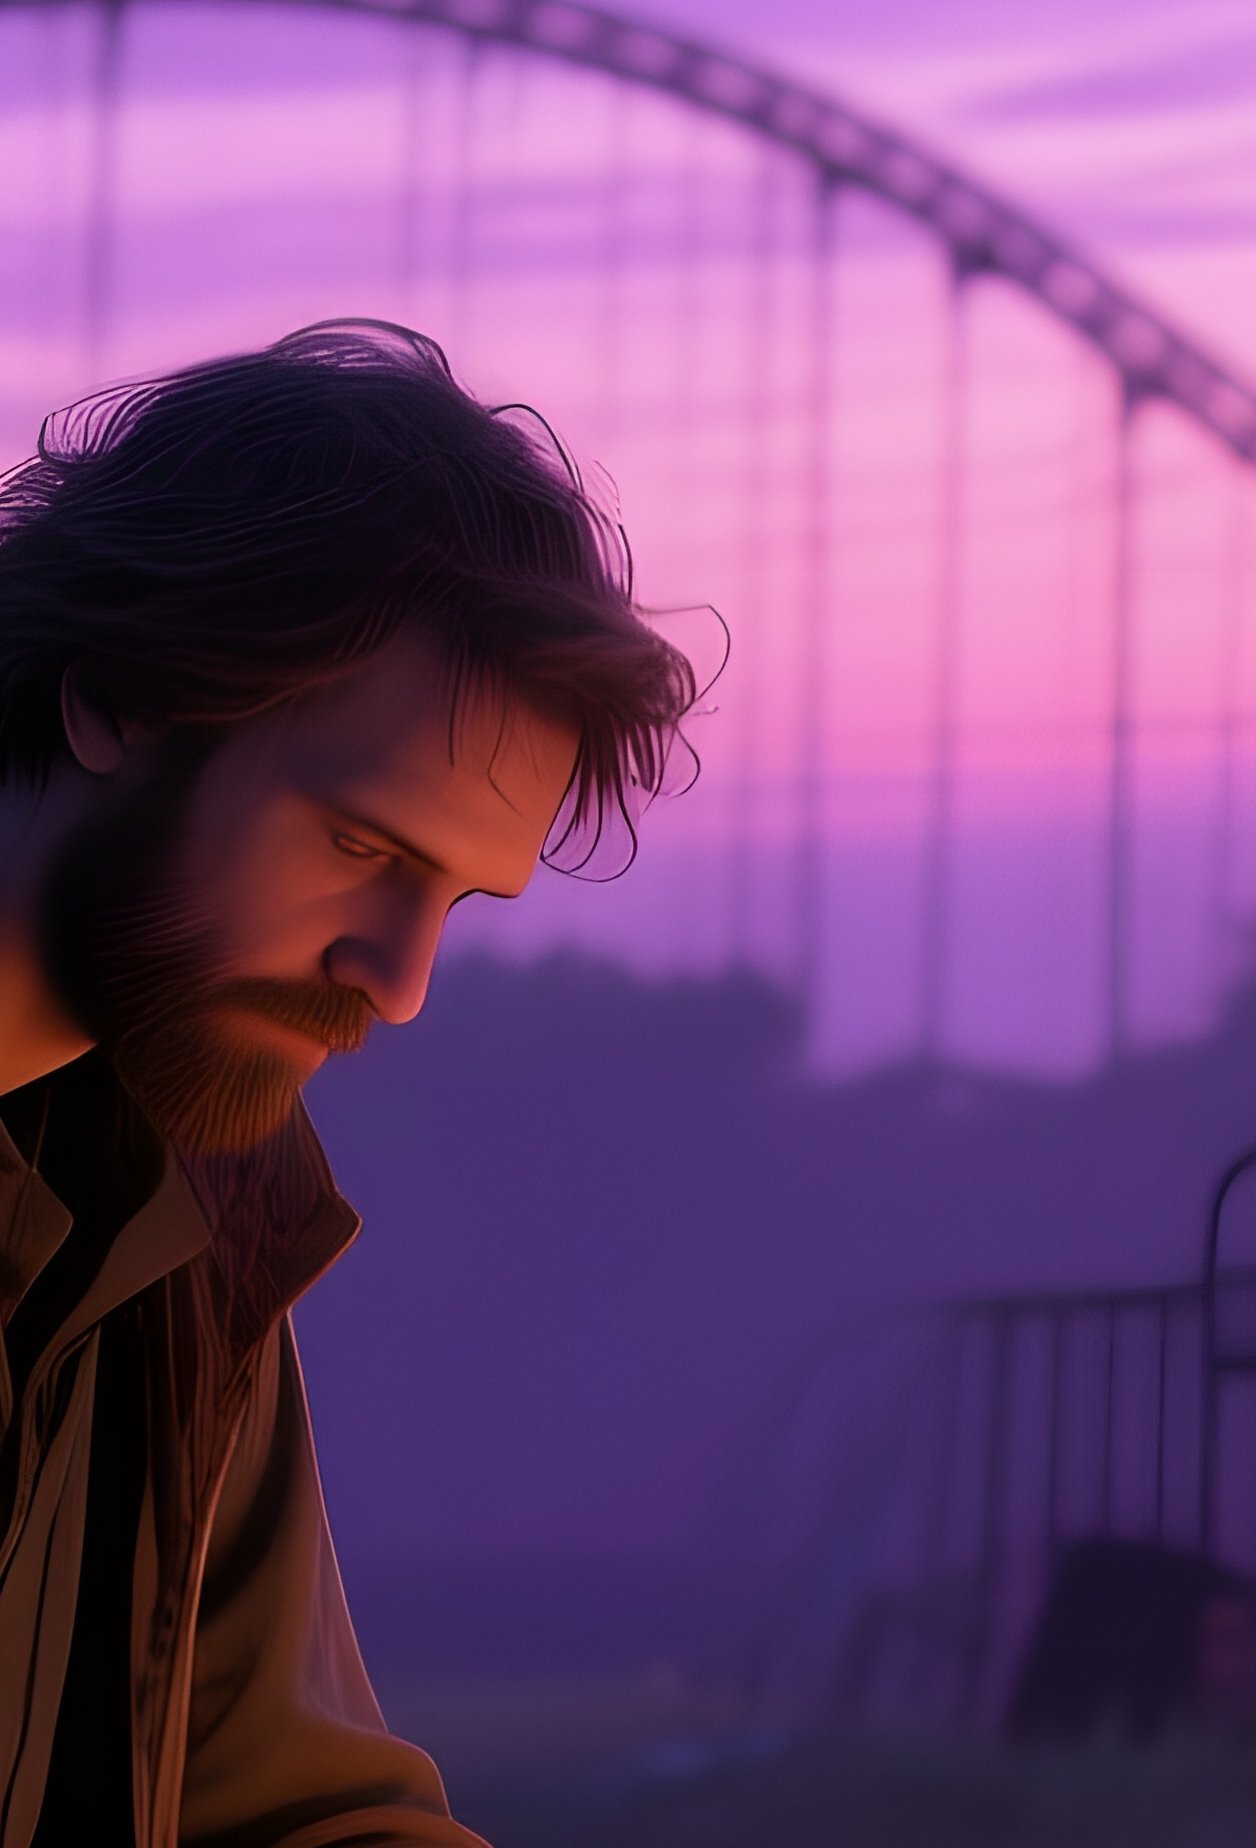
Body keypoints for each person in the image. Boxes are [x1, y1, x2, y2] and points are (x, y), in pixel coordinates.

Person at [0, 322, 694, 1846]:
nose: (397, 979)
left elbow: (273, 1798)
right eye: (363, 846)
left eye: (454, 898)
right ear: (118, 696)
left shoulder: (195, 1210)